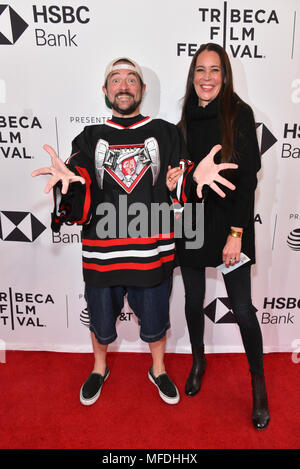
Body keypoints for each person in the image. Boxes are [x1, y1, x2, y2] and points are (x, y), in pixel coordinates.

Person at [32, 57, 237, 407]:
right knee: (100, 323)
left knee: (156, 323)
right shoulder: (89, 137)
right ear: (105, 90)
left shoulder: (165, 132)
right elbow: (77, 192)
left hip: (152, 255)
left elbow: (179, 184)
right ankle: (99, 368)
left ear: (142, 90)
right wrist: (68, 187)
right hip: (102, 257)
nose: (123, 85)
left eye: (131, 79)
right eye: (116, 79)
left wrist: (191, 181)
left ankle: (157, 369)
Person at [167, 43, 270, 429]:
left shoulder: (239, 115)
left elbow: (245, 184)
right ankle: (198, 359)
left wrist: (236, 234)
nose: (206, 78)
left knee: (242, 308)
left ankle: (258, 385)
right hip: (192, 222)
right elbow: (181, 183)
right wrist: (174, 180)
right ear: (192, 76)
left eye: (214, 70)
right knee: (194, 301)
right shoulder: (183, 119)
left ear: (224, 76)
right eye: (200, 70)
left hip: (231, 224)